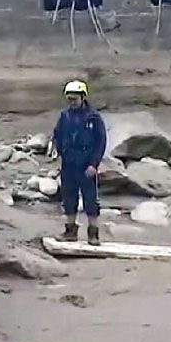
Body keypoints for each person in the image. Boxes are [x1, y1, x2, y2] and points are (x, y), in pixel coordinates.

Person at [52, 80, 106, 246]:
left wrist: (94, 164)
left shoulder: (94, 117)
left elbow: (101, 142)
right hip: (69, 163)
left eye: (75, 99)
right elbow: (57, 134)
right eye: (70, 99)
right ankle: (70, 231)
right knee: (69, 198)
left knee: (90, 199)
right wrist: (55, 148)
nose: (72, 102)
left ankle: (93, 233)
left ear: (83, 97)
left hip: (86, 164)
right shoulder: (65, 116)